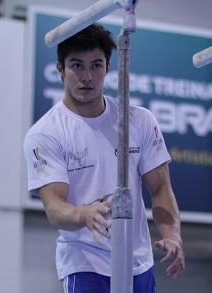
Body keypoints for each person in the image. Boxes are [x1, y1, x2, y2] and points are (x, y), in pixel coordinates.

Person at [23, 23, 184, 292]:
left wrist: (172, 235)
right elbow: (54, 207)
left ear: (108, 67)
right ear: (60, 69)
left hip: (138, 261)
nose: (87, 76)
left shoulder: (140, 121)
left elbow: (160, 188)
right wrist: (82, 213)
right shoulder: (46, 134)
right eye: (76, 65)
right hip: (84, 261)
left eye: (96, 65)